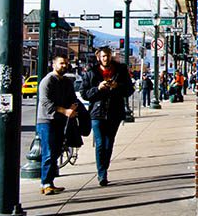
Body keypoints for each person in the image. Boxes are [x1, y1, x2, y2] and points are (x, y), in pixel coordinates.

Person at [81, 46, 133, 186]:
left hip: (114, 112)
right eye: (103, 56)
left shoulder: (121, 70)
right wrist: (98, 88)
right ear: (99, 57)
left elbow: (129, 90)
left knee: (109, 144)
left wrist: (117, 86)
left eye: (108, 56)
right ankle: (101, 174)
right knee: (100, 144)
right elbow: (84, 93)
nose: (106, 58)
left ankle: (104, 169)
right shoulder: (91, 72)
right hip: (97, 113)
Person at [36, 51, 78, 195]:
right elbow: (46, 102)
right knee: (48, 152)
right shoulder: (47, 81)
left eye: (66, 63)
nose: (64, 65)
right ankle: (45, 183)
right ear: (54, 65)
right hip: (46, 121)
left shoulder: (66, 81)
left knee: (56, 152)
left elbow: (73, 98)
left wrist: (73, 106)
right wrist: (65, 111)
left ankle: (50, 182)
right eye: (61, 63)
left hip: (60, 121)